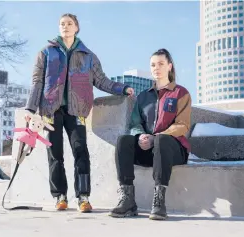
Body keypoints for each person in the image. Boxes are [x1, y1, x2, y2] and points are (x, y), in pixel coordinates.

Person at [25, 13, 135, 213]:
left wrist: (122, 88)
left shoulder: (88, 56)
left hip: (77, 111)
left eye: (69, 23)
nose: (65, 26)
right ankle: (60, 196)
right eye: (62, 24)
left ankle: (83, 196)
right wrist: (30, 109)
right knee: (55, 154)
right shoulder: (46, 52)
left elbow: (102, 81)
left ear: (77, 27)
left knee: (80, 151)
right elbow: (37, 82)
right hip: (50, 110)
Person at [109, 48, 191, 220]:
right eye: (153, 65)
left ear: (169, 66)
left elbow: (182, 125)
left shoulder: (180, 93)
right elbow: (135, 123)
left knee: (162, 139)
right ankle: (128, 199)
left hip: (173, 150)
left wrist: (156, 138)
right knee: (123, 140)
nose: (156, 68)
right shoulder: (143, 96)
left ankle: (159, 201)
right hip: (150, 151)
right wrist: (140, 136)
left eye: (161, 64)